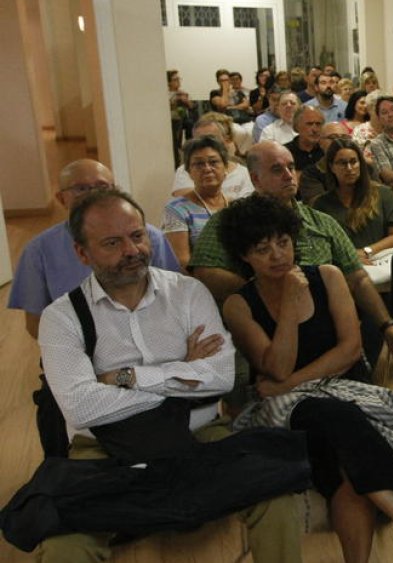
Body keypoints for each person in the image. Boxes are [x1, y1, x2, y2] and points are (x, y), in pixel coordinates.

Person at [36, 188, 300, 563]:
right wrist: (184, 374)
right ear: (82, 253)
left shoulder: (188, 293)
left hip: (200, 432)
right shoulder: (61, 317)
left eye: (137, 235)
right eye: (112, 243)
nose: (132, 250)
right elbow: (81, 408)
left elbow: (221, 377)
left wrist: (125, 377)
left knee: (276, 497)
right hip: (105, 447)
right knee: (64, 547)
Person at [219, 194, 393, 563]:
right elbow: (278, 367)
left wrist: (288, 385)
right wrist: (290, 305)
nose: (278, 255)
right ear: (244, 255)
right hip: (284, 417)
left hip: (341, 397)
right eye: (262, 249)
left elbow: (350, 350)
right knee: (324, 413)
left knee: (346, 468)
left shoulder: (328, 276)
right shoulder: (238, 305)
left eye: (283, 242)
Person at [189, 141, 393, 362]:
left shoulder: (321, 222)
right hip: (264, 326)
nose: (289, 175)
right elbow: (205, 272)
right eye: (277, 169)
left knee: (371, 322)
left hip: (325, 325)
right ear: (255, 178)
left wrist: (387, 325)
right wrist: (267, 293)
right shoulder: (230, 220)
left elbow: (358, 277)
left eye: (291, 167)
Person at [9, 159, 179, 340]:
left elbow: (173, 298)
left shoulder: (150, 238)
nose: (93, 195)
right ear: (61, 198)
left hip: (152, 338)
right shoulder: (38, 250)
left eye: (102, 187)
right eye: (81, 188)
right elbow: (36, 324)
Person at [312, 139, 393, 263]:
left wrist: (366, 252)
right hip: (343, 265)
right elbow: (320, 245)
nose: (349, 168)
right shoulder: (322, 204)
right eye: (342, 163)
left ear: (360, 164)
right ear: (332, 167)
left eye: (353, 162)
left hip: (382, 260)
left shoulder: (384, 194)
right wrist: (350, 258)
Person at [163, 136, 233, 270]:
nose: (207, 168)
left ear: (225, 167)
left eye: (213, 162)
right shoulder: (177, 209)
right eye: (199, 164)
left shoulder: (235, 205)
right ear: (189, 172)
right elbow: (182, 263)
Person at [171, 118, 255, 199]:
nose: (207, 145)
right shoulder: (185, 170)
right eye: (200, 140)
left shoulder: (243, 172)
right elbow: (184, 199)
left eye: (213, 139)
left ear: (225, 140)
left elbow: (246, 204)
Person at [284, 106, 326, 173]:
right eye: (309, 124)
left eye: (318, 124)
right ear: (297, 126)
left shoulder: (326, 150)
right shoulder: (285, 152)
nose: (315, 130)